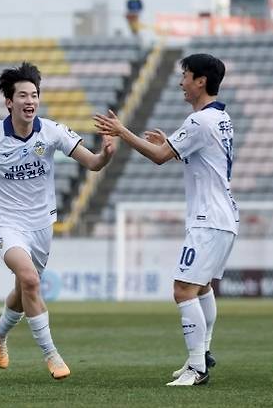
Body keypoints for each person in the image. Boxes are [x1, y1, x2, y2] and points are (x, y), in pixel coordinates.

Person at [0, 62, 115, 380]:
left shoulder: (52, 131)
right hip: (5, 224)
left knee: (23, 290)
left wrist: (106, 153)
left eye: (35, 95)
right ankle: (51, 355)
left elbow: (93, 164)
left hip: (41, 226)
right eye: (23, 95)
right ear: (9, 102)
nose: (30, 101)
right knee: (29, 279)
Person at [94, 53, 238, 386]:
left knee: (183, 289)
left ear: (200, 81)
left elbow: (159, 158)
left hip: (209, 219)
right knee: (200, 287)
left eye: (185, 76)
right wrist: (170, 146)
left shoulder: (200, 121)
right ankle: (203, 354)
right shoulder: (221, 118)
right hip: (223, 216)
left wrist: (121, 130)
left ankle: (197, 367)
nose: (181, 82)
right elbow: (197, 157)